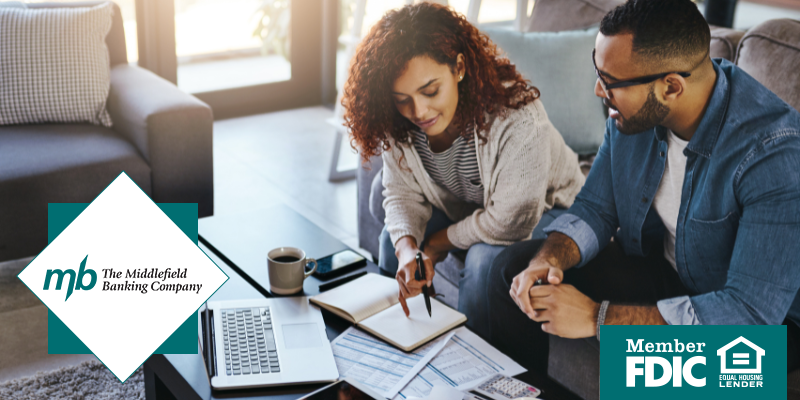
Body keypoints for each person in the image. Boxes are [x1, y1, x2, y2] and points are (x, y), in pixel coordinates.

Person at [487, 0, 800, 374]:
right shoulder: (634, 116)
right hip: (671, 278)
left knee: (645, 374)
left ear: (671, 87)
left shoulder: (775, 155)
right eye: (598, 72)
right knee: (511, 269)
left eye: (611, 82)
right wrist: (549, 260)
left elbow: (747, 315)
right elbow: (597, 209)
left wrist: (596, 318)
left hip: (768, 335)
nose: (598, 92)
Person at [341, 2, 585, 336]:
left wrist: (436, 244)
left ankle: (480, 371)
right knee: (391, 241)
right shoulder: (400, 118)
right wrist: (408, 249)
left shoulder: (518, 120)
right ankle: (397, 340)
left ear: (458, 68)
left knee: (484, 263)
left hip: (549, 208)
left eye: (431, 91)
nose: (419, 111)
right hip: (472, 204)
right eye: (403, 98)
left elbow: (508, 221)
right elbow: (399, 192)